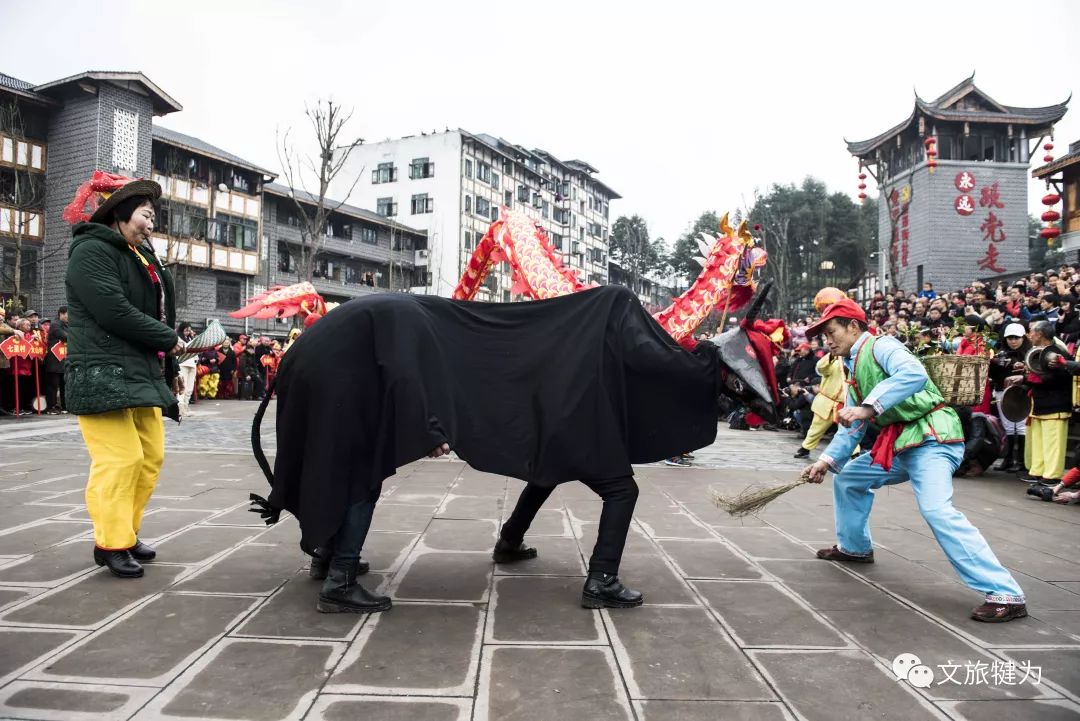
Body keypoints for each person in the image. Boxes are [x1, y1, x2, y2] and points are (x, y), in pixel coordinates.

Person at [249, 285, 778, 613]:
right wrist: (711, 368)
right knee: (361, 460)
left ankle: (335, 555)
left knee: (348, 456)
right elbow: (659, 361)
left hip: (335, 347)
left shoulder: (588, 319)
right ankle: (339, 581)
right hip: (349, 355)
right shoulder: (613, 312)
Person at [802, 296, 1026, 623]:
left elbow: (914, 374)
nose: (827, 340)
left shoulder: (882, 345)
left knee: (937, 510)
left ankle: (1005, 591)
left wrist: (869, 407)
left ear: (853, 326)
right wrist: (826, 461)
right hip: (902, 443)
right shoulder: (850, 365)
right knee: (849, 478)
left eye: (831, 331)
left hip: (934, 438)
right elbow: (852, 424)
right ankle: (854, 547)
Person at [62, 171, 184, 579]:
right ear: (120, 211)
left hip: (139, 370)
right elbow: (113, 310)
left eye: (154, 217)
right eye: (146, 214)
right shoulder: (90, 251)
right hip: (100, 373)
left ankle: (126, 534)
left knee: (150, 457)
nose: (152, 223)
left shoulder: (140, 255)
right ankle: (111, 542)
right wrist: (168, 339)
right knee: (120, 459)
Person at [1020, 321, 1073, 485]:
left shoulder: (1058, 353)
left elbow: (1057, 378)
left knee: (1053, 442)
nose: (1029, 335)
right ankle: (1038, 471)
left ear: (1040, 334)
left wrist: (1028, 378)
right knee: (1038, 442)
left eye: (1031, 332)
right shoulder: (1035, 351)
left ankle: (1052, 475)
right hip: (1039, 402)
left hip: (1055, 403)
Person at [988, 323, 1029, 472]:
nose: (1013, 341)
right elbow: (992, 375)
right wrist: (993, 363)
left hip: (1020, 392)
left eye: (1016, 338)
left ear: (1023, 338)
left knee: (1021, 426)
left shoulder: (1028, 353)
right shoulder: (1000, 353)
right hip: (1002, 390)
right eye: (1010, 338)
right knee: (1008, 426)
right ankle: (1009, 458)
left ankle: (1023, 461)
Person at [794, 352, 845, 459]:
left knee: (848, 431)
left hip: (845, 404)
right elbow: (821, 368)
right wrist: (831, 356)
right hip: (826, 402)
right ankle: (805, 449)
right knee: (816, 428)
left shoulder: (857, 363)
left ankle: (855, 454)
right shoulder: (834, 361)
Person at [44, 306, 69, 414]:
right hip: (54, 360)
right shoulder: (55, 324)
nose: (69, 317)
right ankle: (51, 407)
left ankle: (64, 406)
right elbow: (64, 336)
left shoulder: (66, 325)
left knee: (64, 385)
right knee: (53, 385)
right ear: (61, 314)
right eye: (68, 314)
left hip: (63, 359)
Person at [176, 322, 197, 418]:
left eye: (189, 330)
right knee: (182, 387)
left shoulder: (191, 339)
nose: (188, 332)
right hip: (183, 364)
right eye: (186, 330)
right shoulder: (178, 339)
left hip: (192, 365)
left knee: (189, 388)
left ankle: (186, 406)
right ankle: (180, 408)